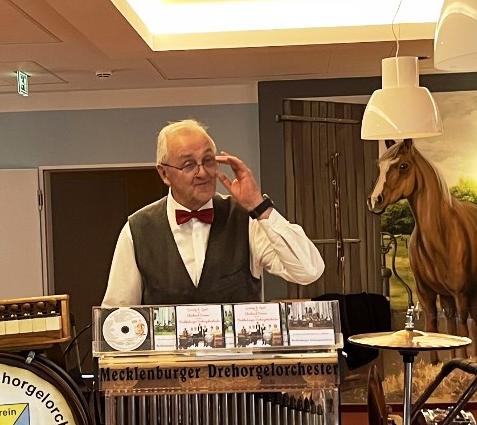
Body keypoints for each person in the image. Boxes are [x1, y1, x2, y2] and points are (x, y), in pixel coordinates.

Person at [102, 119, 324, 305]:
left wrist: (260, 206)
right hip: (167, 358)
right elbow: (119, 313)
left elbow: (309, 271)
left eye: (208, 161)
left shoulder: (246, 218)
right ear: (164, 174)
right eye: (188, 165)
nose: (203, 173)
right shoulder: (138, 229)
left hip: (239, 358)